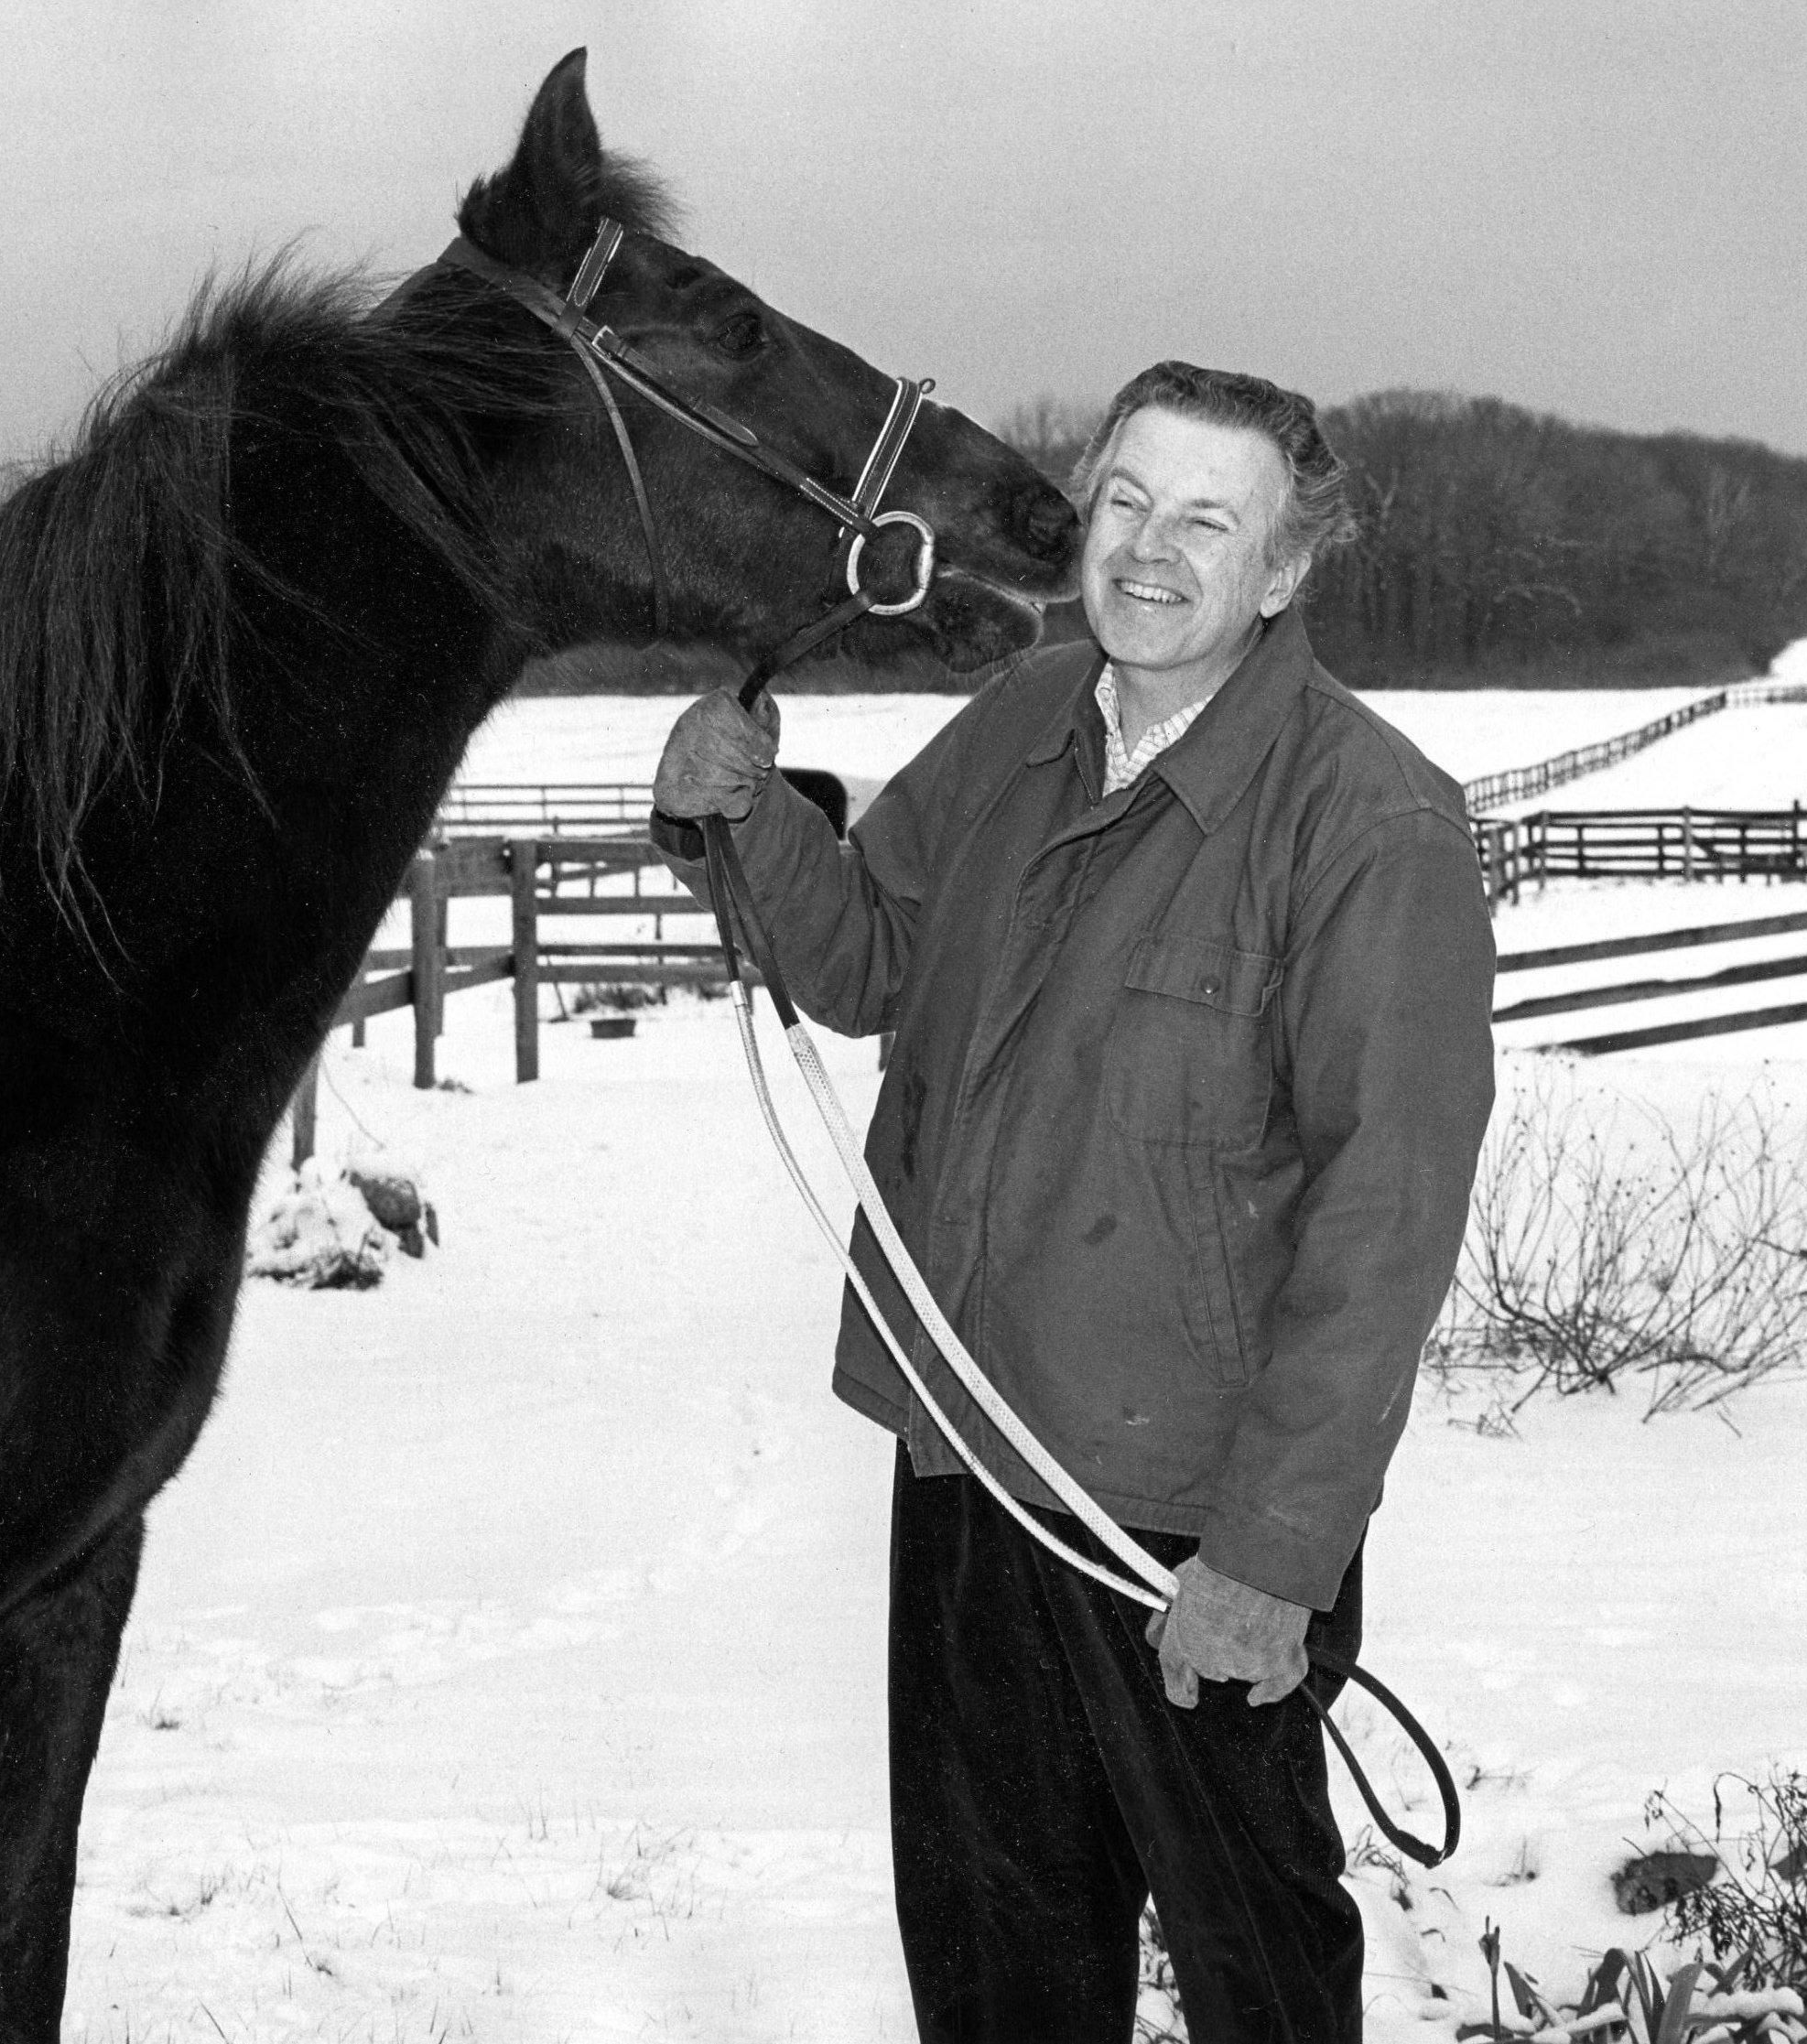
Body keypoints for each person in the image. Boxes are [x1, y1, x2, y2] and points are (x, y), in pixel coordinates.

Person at [651, 362, 1497, 2042]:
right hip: (971, 1465)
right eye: (1126, 500)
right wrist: (747, 817)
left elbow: (1383, 1226)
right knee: (992, 1966)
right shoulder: (1031, 715)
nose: (1151, 550)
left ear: (1284, 570)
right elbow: (871, 956)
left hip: (1183, 1529)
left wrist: (1271, 1554)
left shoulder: (1369, 820)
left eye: (1209, 519)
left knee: (1254, 1970)